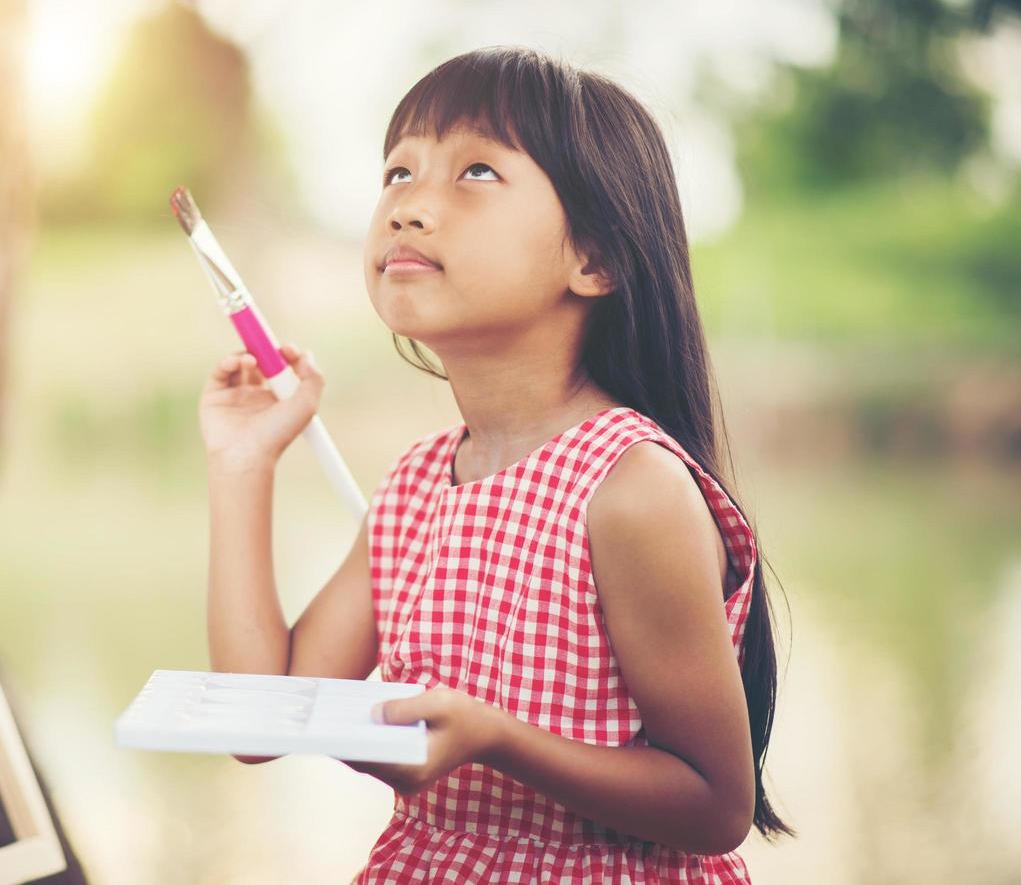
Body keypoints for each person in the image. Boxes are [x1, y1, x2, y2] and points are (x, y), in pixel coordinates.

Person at [197, 45, 794, 883]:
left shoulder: (629, 490)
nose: (407, 207)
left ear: (594, 259)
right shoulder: (413, 488)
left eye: (474, 172)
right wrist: (242, 463)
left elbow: (714, 805)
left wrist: (496, 739)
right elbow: (257, 726)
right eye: (397, 173)